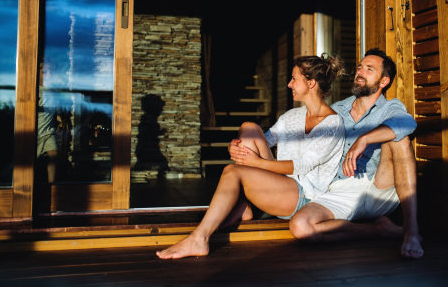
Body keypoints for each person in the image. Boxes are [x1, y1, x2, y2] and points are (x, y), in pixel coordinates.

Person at [157, 54, 345, 259]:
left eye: (294, 78)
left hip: (304, 196)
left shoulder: (332, 124)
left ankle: (199, 238)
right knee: (248, 128)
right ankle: (243, 206)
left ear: (311, 83)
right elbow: (265, 139)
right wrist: (234, 145)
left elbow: (302, 166)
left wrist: (257, 163)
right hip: (282, 184)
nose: (289, 83)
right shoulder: (293, 116)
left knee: (232, 171)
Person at [289, 48, 424, 260]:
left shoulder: (390, 108)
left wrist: (365, 139)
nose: (360, 72)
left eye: (370, 69)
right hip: (341, 188)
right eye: (360, 67)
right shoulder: (336, 109)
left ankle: (411, 231)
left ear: (383, 82)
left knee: (399, 138)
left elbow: (407, 124)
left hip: (378, 187)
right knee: (301, 226)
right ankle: (378, 229)